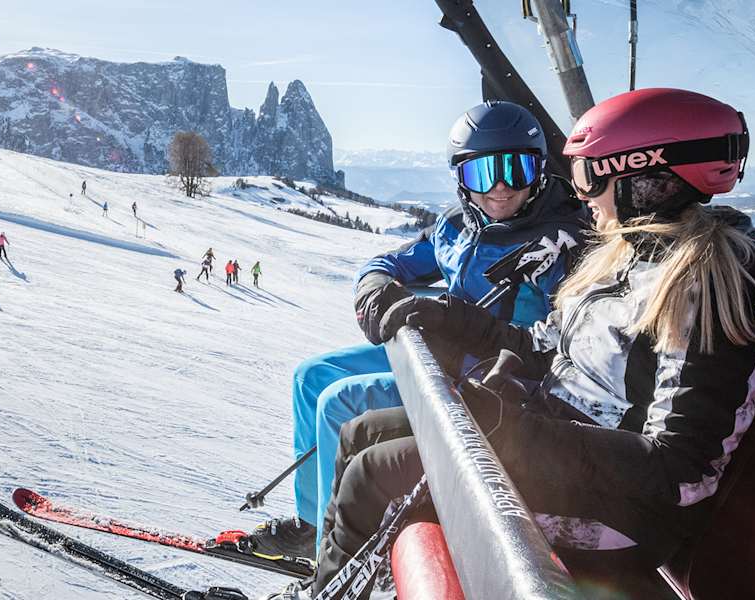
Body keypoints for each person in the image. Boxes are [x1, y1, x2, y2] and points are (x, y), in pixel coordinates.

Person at [292, 88, 755, 600]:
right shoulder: (630, 257)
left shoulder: (706, 285)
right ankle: (323, 585)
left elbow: (680, 471)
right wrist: (449, 316)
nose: (582, 195)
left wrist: (516, 430)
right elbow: (545, 348)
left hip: (621, 512)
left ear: (644, 179)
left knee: (373, 473)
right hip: (559, 443)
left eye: (588, 176)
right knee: (361, 432)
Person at [241, 101, 591, 561]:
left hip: (495, 377)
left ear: (540, 171)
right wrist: (376, 293)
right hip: (439, 352)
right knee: (312, 377)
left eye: (517, 169)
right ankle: (314, 522)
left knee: (339, 402)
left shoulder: (559, 241)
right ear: (461, 179)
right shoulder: (456, 227)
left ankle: (343, 541)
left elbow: (563, 336)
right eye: (483, 174)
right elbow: (387, 263)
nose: (501, 188)